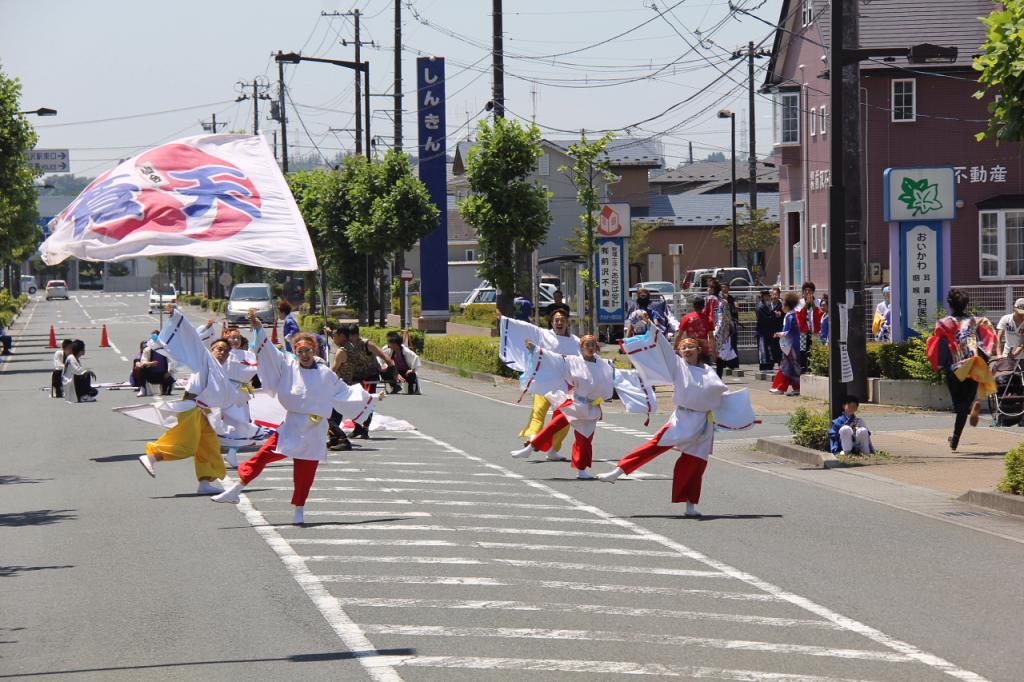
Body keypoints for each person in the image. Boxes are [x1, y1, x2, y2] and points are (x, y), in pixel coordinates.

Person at [212, 310, 379, 525]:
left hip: (314, 428)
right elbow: (269, 353)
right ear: (296, 351)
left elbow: (346, 393)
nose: (305, 354)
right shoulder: (287, 365)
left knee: (305, 472)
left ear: (314, 350)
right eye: (300, 350)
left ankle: (299, 509)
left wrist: (372, 397)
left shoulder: (326, 374)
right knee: (263, 455)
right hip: (291, 424)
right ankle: (236, 489)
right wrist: (258, 328)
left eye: (308, 350)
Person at [598, 333, 753, 517]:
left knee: (696, 464)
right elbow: (663, 347)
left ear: (699, 350)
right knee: (654, 445)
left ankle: (690, 505)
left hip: (703, 422)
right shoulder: (678, 366)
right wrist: (653, 328)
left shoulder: (708, 370)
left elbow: (719, 395)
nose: (687, 350)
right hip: (682, 417)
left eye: (691, 347)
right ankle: (618, 471)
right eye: (683, 347)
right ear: (678, 351)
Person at [137, 308, 241, 495]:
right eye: (219, 349)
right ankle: (152, 456)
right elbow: (192, 338)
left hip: (203, 411)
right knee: (187, 444)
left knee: (209, 445)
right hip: (191, 407)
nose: (222, 353)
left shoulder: (220, 370)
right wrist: (177, 316)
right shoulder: (204, 358)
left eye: (226, 351)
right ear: (211, 349)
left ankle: (205, 483)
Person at [509, 335, 614, 479]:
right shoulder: (573, 361)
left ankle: (581, 470)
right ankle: (531, 447)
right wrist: (537, 350)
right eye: (586, 345)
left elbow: (614, 379)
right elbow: (554, 359)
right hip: (575, 403)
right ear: (581, 347)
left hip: (591, 407)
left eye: (592, 345)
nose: (590, 348)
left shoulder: (604, 365)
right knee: (555, 424)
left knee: (584, 440)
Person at [500, 306, 579, 460]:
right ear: (551, 322)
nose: (559, 323)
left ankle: (553, 450)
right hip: (544, 381)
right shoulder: (543, 334)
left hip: (565, 386)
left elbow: (585, 357)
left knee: (564, 419)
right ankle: (532, 439)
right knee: (538, 412)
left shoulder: (574, 341)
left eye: (562, 320)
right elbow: (524, 327)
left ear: (567, 322)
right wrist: (505, 320)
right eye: (556, 320)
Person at [927, 288, 997, 451]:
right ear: (966, 304)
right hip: (973, 364)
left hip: (955, 367)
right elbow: (989, 336)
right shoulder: (977, 321)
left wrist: (941, 365)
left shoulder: (943, 323)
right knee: (966, 401)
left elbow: (937, 345)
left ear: (950, 304)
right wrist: (987, 356)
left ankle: (956, 438)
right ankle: (971, 408)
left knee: (959, 406)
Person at [342, 324, 394, 439]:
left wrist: (392, 369)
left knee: (368, 401)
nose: (350, 340)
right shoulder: (347, 345)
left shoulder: (367, 344)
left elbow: (383, 355)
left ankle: (365, 429)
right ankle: (357, 428)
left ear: (356, 335)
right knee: (354, 401)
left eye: (351, 337)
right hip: (355, 376)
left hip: (371, 375)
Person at [325, 324, 355, 451]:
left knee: (328, 417)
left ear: (342, 336)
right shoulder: (351, 347)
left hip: (339, 387)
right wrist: (330, 332)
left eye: (335, 335)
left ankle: (343, 439)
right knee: (335, 417)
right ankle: (334, 439)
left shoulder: (341, 351)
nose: (333, 337)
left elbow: (333, 370)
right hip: (346, 386)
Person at [770, 293, 802, 396]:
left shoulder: (790, 316)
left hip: (790, 346)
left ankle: (780, 388)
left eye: (783, 305)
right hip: (792, 345)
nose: (782, 307)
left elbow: (791, 332)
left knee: (786, 366)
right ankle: (797, 388)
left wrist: (780, 334)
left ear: (787, 306)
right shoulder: (791, 315)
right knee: (793, 367)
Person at [134, 331, 175, 397]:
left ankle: (164, 390)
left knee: (167, 389)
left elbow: (172, 362)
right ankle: (143, 389)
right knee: (139, 369)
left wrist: (169, 372)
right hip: (151, 375)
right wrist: (150, 363)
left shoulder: (166, 350)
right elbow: (143, 362)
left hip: (163, 375)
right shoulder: (147, 350)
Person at [677, 297, 714, 362]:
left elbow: (680, 334)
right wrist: (713, 350)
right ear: (703, 306)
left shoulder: (687, 318)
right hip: (704, 349)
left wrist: (676, 346)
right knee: (705, 370)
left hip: (690, 349)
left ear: (693, 306)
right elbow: (711, 337)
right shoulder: (708, 319)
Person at [796, 281, 822, 372]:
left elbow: (819, 313)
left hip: (815, 330)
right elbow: (799, 314)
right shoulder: (800, 302)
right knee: (803, 348)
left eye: (809, 290)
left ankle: (814, 366)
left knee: (814, 348)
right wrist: (807, 304)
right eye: (805, 290)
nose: (807, 292)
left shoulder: (818, 301)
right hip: (804, 330)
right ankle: (803, 366)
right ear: (803, 291)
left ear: (813, 291)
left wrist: (812, 303)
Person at [755, 289, 777, 371]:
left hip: (767, 331)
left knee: (767, 349)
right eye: (767, 296)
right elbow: (765, 319)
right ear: (763, 297)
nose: (769, 297)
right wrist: (774, 315)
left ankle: (768, 366)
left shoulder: (766, 305)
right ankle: (764, 367)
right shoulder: (760, 306)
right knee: (763, 350)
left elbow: (769, 315)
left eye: (769, 296)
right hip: (762, 331)